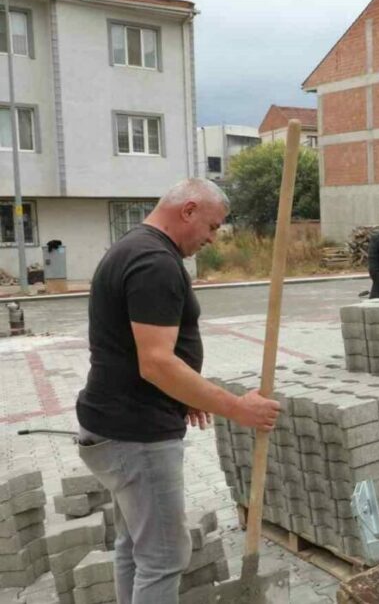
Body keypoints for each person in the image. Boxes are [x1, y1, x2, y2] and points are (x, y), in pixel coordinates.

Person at [75, 179, 281, 604]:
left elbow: (138, 354)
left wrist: (186, 394)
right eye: (212, 226)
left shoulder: (135, 246)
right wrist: (238, 408)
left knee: (135, 548)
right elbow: (156, 363)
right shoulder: (155, 263)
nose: (212, 237)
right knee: (164, 557)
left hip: (115, 425)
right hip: (138, 438)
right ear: (188, 210)